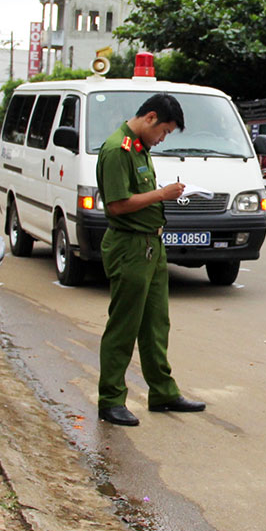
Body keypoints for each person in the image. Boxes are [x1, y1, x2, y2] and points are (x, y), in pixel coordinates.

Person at [96, 93, 206, 426]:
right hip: (129, 247)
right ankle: (111, 399)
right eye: (165, 132)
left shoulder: (140, 148)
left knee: (156, 323)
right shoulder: (119, 149)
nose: (163, 139)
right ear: (150, 118)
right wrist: (161, 194)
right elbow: (116, 205)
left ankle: (162, 392)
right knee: (124, 325)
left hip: (151, 246)